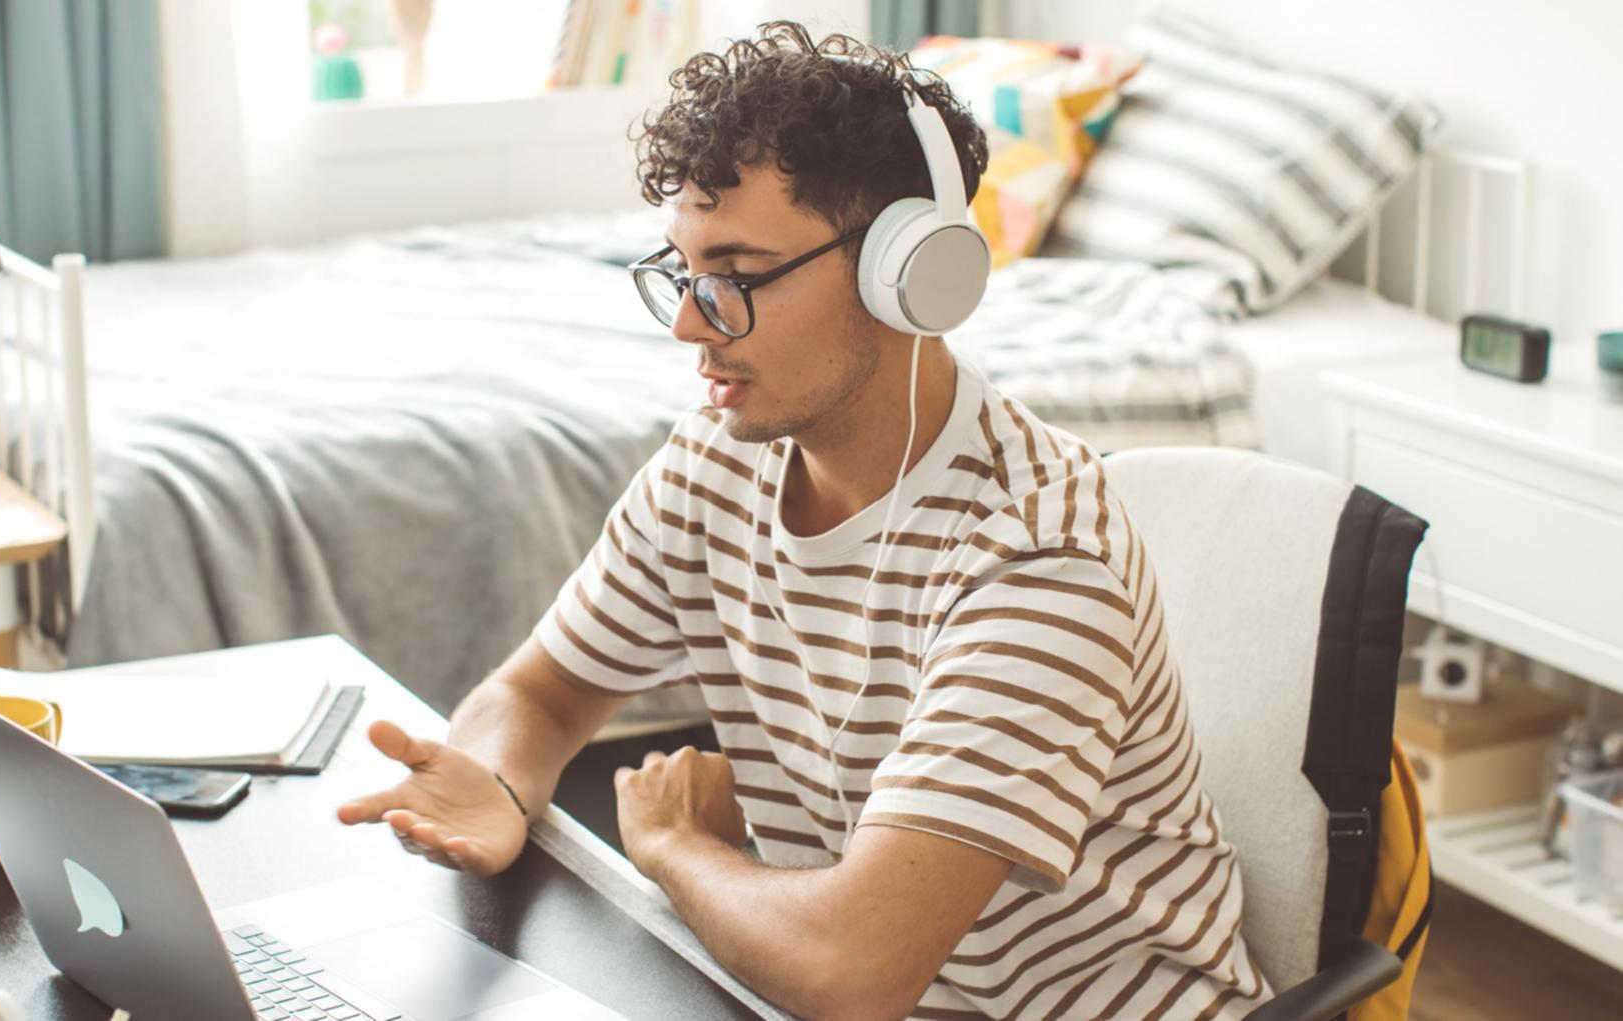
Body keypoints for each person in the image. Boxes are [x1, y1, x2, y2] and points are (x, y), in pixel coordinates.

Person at [337, 22, 1267, 1021]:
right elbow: (544, 692)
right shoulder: (715, 461)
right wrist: (494, 780)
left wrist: (673, 845)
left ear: (906, 274)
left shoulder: (1037, 559)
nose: (693, 322)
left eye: (737, 274)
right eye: (684, 270)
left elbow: (847, 973)